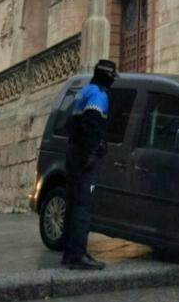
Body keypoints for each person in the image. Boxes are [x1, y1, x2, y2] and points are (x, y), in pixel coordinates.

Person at [62, 59, 118, 270]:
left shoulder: (84, 91)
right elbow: (91, 124)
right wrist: (94, 152)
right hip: (84, 156)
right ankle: (78, 254)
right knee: (83, 206)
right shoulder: (98, 95)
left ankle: (69, 253)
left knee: (73, 202)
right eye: (112, 76)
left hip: (74, 152)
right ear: (107, 76)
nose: (113, 80)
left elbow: (73, 123)